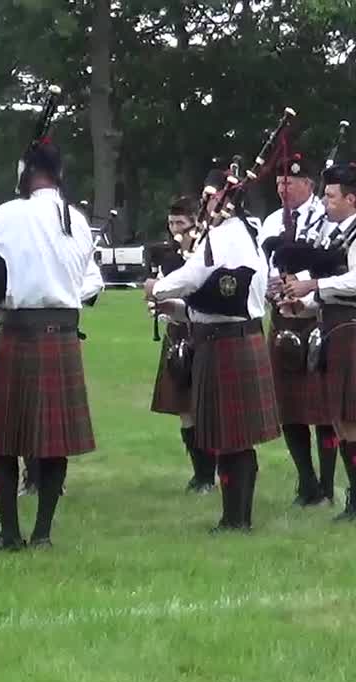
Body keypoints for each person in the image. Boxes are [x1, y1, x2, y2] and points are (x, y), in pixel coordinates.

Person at [0, 139, 104, 551]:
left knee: (2, 442)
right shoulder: (76, 218)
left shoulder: (10, 213)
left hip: (19, 334)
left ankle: (10, 535)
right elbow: (89, 281)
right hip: (64, 336)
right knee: (55, 443)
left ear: (26, 173)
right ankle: (42, 534)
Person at [148, 168, 280, 533]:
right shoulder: (243, 234)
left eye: (210, 196)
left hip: (227, 342)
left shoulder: (224, 235)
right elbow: (214, 296)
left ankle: (237, 520)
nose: (206, 203)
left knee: (232, 439)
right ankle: (235, 516)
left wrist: (157, 288)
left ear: (226, 198)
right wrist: (177, 308)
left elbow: (192, 276)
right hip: (233, 335)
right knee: (233, 439)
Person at [280, 162, 356, 521]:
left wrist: (314, 286)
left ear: (351, 198)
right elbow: (329, 288)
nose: (325, 201)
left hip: (350, 327)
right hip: (331, 326)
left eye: (331, 195)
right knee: (338, 419)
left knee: (351, 420)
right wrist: (301, 302)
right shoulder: (337, 233)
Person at [260, 154, 338, 506]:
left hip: (316, 318)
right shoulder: (272, 221)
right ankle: (306, 482)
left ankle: (327, 482)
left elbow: (330, 262)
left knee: (323, 412)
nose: (282, 188)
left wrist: (301, 292)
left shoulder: (326, 217)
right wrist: (274, 293)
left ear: (308, 184)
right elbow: (262, 268)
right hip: (281, 319)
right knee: (290, 410)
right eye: (278, 183)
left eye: (289, 182)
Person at [149, 196, 215, 494]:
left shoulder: (206, 254)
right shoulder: (168, 257)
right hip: (177, 333)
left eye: (182, 224)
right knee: (184, 408)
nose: (176, 230)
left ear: (196, 224)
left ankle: (211, 473)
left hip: (203, 333)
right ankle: (200, 474)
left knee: (206, 408)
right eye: (172, 223)